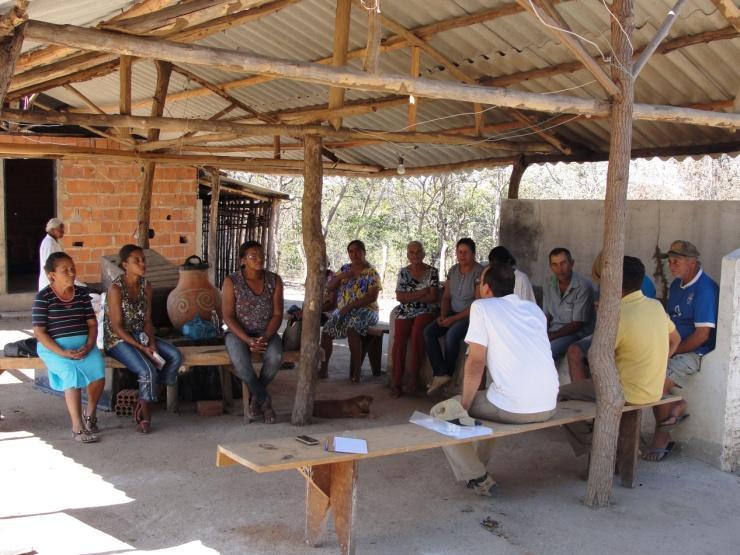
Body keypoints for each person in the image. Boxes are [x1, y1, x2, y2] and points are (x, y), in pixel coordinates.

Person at [440, 263, 559, 496]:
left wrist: (463, 405)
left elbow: (475, 362)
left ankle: (476, 477)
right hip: (549, 404)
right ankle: (479, 467)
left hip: (515, 408)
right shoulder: (533, 310)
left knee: (445, 412)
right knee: (493, 401)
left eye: (479, 283)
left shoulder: (482, 307)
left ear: (486, 288)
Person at [559, 257, 681, 465]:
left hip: (626, 392)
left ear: (614, 280)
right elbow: (675, 339)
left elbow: (597, 358)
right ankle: (602, 438)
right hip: (653, 388)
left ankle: (597, 445)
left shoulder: (616, 315)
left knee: (561, 395)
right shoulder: (656, 306)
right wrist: (656, 361)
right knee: (586, 388)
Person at [645, 240, 719, 461]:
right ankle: (676, 405)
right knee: (641, 373)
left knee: (657, 382)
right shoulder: (677, 285)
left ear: (692, 262)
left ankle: (662, 438)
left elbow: (702, 336)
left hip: (693, 352)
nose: (672, 265)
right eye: (670, 261)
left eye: (677, 261)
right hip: (672, 346)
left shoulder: (705, 288)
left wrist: (672, 351)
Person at [104, 244, 183, 433]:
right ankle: (147, 412)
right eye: (136, 261)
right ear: (125, 265)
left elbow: (147, 320)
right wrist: (141, 347)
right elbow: (116, 326)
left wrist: (152, 343)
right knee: (148, 370)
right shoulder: (116, 288)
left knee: (175, 356)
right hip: (118, 339)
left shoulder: (146, 286)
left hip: (140, 334)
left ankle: (146, 397)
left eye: (143, 259)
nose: (142, 263)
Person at [33, 252, 105, 444]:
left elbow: (92, 324)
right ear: (52, 275)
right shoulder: (43, 298)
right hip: (54, 349)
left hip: (83, 346)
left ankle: (90, 415)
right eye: (65, 270)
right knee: (71, 375)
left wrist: (90, 345)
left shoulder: (81, 294)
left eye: (72, 268)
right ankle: (77, 427)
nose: (72, 273)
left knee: (98, 372)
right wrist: (63, 352)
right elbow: (40, 333)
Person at [567, 251, 657, 382]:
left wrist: (607, 312)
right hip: (612, 329)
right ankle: (582, 390)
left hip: (630, 333)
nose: (603, 282)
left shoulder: (640, 285)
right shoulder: (607, 283)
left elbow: (637, 315)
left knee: (593, 354)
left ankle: (588, 391)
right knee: (574, 350)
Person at [222, 241, 284, 423]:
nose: (259, 259)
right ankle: (265, 401)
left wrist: (264, 337)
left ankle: (256, 398)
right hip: (238, 333)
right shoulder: (232, 281)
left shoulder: (274, 280)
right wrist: (248, 340)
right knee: (241, 362)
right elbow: (228, 316)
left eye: (261, 255)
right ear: (243, 260)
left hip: (266, 332)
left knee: (276, 357)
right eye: (253, 256)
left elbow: (277, 313)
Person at [423, 238, 484, 395]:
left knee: (452, 334)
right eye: (459, 252)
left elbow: (478, 303)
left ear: (473, 254)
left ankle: (447, 374)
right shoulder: (453, 270)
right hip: (452, 312)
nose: (462, 256)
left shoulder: (479, 272)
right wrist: (443, 315)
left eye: (466, 252)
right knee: (429, 332)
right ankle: (440, 373)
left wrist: (454, 319)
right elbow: (446, 297)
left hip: (470, 316)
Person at [321, 240, 382, 382]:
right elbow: (330, 287)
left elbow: (372, 297)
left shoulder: (371, 272)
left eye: (358, 251)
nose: (354, 254)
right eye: (351, 251)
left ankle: (357, 372)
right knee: (326, 331)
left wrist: (350, 306)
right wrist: (342, 276)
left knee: (352, 329)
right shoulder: (345, 269)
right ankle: (323, 369)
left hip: (367, 311)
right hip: (344, 310)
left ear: (364, 252)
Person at [390, 241, 439, 397]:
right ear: (407, 255)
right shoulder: (403, 272)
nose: (415, 255)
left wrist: (410, 297)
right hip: (405, 311)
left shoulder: (432, 271)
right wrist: (422, 291)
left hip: (426, 310)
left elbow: (433, 297)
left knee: (418, 333)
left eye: (418, 252)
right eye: (411, 252)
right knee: (399, 341)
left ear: (424, 254)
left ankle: (413, 377)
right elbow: (399, 297)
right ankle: (396, 381)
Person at [543, 247, 594, 359]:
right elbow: (546, 315)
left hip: (575, 334)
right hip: (553, 332)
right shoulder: (548, 283)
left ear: (572, 263)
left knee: (549, 350)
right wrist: (542, 333)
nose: (559, 269)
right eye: (555, 264)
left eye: (563, 263)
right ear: (550, 266)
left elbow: (576, 325)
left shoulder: (583, 286)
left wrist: (551, 336)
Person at [38, 218, 65, 291]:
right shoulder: (49, 244)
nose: (63, 232)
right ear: (53, 230)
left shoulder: (53, 242)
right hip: (50, 282)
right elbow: (48, 265)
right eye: (60, 229)